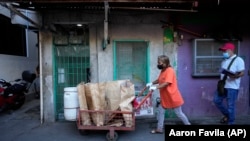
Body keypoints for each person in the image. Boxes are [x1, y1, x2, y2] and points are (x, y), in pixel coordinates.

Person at [146, 55, 191, 134]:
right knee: (161, 112)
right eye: (158, 62)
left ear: (165, 63)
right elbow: (159, 79)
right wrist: (151, 83)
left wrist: (155, 88)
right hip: (165, 97)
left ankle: (188, 125)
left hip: (172, 96)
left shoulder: (170, 70)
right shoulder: (163, 70)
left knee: (179, 113)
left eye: (159, 62)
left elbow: (167, 83)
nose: (158, 64)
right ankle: (159, 128)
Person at [213, 42, 245, 125]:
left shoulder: (239, 60)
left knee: (231, 106)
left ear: (230, 50)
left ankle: (231, 122)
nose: (223, 53)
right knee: (216, 101)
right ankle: (228, 115)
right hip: (223, 85)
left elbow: (242, 73)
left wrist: (235, 76)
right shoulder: (224, 61)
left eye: (225, 51)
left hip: (232, 87)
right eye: (223, 51)